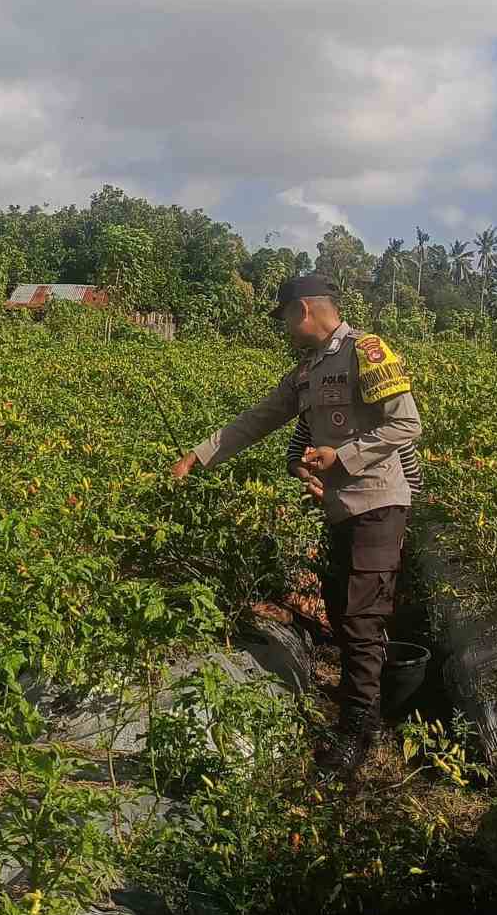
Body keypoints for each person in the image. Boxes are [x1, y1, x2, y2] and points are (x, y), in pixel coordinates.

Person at [169, 273, 422, 783]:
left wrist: (342, 456)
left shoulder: (366, 352)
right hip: (339, 508)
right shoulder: (307, 371)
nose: (285, 327)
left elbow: (406, 424)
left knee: (361, 618)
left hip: (378, 503)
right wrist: (198, 456)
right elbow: (260, 417)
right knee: (340, 606)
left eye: (285, 316)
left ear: (303, 310)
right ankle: (358, 706)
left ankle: (357, 732)